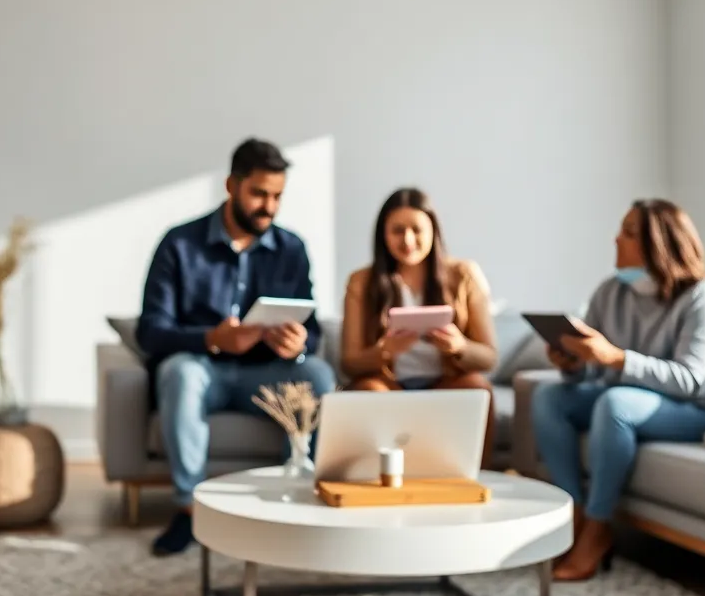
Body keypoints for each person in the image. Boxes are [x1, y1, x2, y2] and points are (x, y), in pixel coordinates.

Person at [135, 138, 336, 557]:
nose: (269, 206)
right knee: (181, 372)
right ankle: (188, 511)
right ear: (231, 186)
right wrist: (211, 338)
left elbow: (312, 331)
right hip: (203, 371)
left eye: (277, 196)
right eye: (259, 194)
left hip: (264, 375)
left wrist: (298, 344)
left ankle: (295, 499)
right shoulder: (179, 244)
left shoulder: (292, 250)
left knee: (317, 374)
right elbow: (150, 332)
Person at [532, 199, 705, 581]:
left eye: (628, 232)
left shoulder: (704, 298)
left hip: (696, 410)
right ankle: (572, 514)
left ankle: (597, 529)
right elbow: (591, 369)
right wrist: (573, 364)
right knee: (548, 398)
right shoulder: (610, 291)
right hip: (628, 399)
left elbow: (691, 381)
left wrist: (615, 359)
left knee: (615, 404)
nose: (616, 238)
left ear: (657, 243)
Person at [339, 188, 499, 465]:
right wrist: (383, 351)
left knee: (478, 388)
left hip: (445, 383)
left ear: (433, 231)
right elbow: (349, 363)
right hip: (388, 384)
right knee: (368, 392)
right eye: (397, 231)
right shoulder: (361, 282)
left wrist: (459, 346)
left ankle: (473, 479)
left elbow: (489, 357)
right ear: (383, 234)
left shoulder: (464, 275)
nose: (408, 240)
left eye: (416, 229)